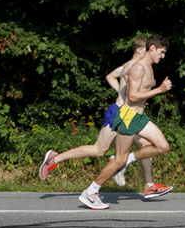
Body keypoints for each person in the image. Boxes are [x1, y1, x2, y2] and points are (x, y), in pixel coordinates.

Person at [39, 38, 161, 194]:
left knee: (146, 145)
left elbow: (110, 76)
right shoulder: (134, 66)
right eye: (148, 50)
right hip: (120, 113)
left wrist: (123, 92)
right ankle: (54, 159)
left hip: (129, 113)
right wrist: (131, 95)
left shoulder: (128, 65)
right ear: (139, 50)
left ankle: (149, 185)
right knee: (99, 150)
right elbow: (125, 77)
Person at [78, 34, 174, 210]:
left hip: (138, 117)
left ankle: (128, 159)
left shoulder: (149, 67)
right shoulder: (138, 68)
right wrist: (159, 90)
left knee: (163, 146)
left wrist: (146, 96)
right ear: (152, 49)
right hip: (129, 116)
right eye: (161, 52)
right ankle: (90, 192)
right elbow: (132, 96)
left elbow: (138, 93)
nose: (163, 56)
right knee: (118, 160)